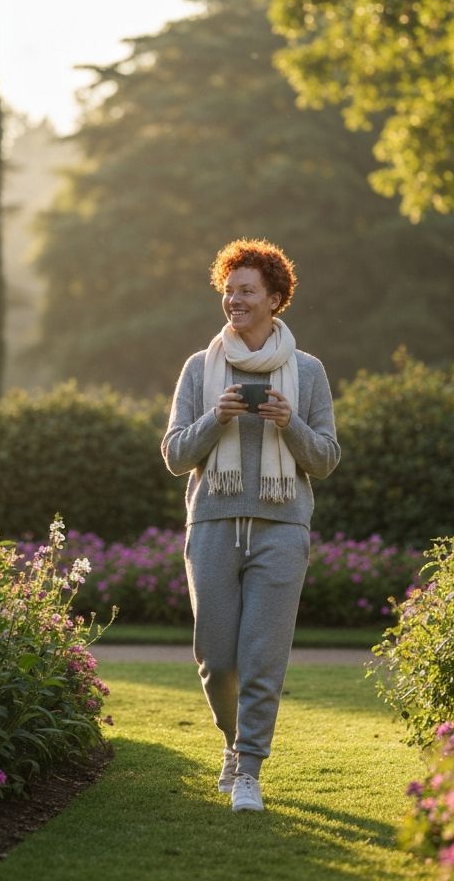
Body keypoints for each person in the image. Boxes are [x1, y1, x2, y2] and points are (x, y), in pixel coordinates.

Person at [161, 238, 341, 813]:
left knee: (263, 656)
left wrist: (290, 425)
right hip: (212, 523)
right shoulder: (199, 368)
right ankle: (231, 744)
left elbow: (325, 459)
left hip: (282, 529)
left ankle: (250, 771)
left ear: (275, 298)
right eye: (227, 291)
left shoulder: (308, 372)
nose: (232, 301)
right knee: (217, 660)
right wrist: (217, 418)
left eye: (245, 291)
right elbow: (174, 455)